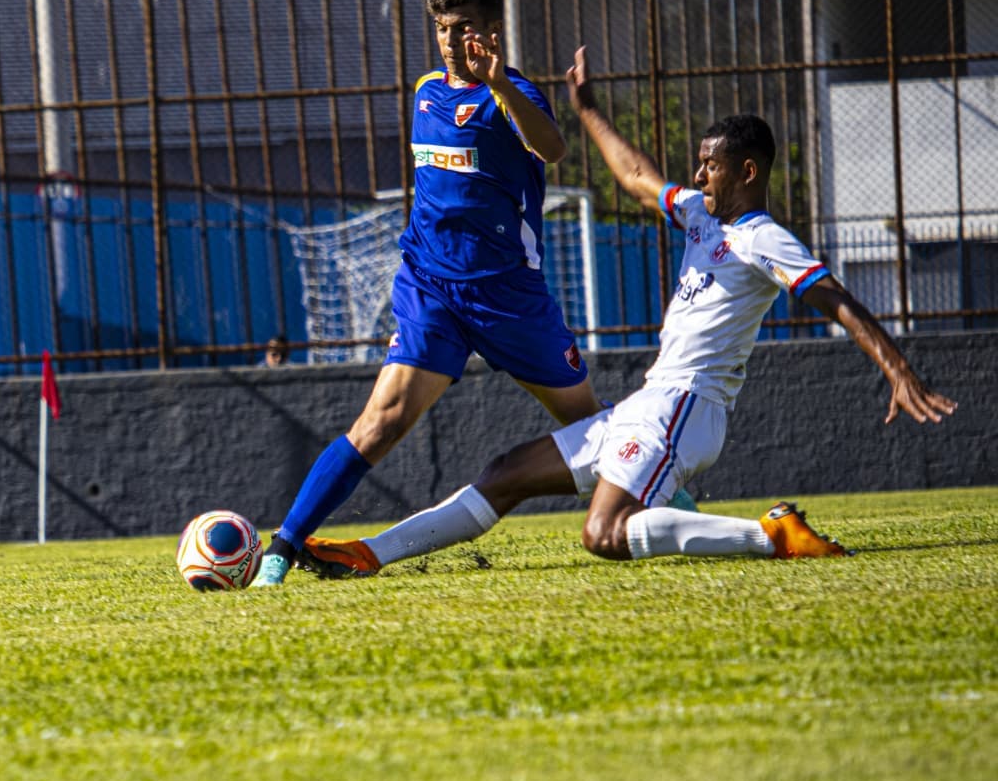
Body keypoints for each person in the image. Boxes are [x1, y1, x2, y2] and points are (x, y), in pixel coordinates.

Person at [294, 46, 958, 578]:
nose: (699, 176)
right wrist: (587, 110)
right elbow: (637, 177)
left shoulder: (763, 238)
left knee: (603, 533)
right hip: (650, 403)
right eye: (699, 165)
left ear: (748, 172)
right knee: (505, 475)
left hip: (688, 406)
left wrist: (898, 369)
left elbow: (835, 297)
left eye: (711, 166)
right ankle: (368, 554)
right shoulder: (700, 215)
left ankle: (771, 537)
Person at [251, 0, 601, 586]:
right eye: (441, 28)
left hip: (508, 298)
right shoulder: (425, 91)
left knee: (593, 428)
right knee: (381, 420)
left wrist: (499, 84)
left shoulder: (513, 94)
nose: (450, 40)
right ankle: (282, 548)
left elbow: (552, 149)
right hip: (430, 288)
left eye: (462, 27)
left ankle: (669, 503)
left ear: (491, 30)